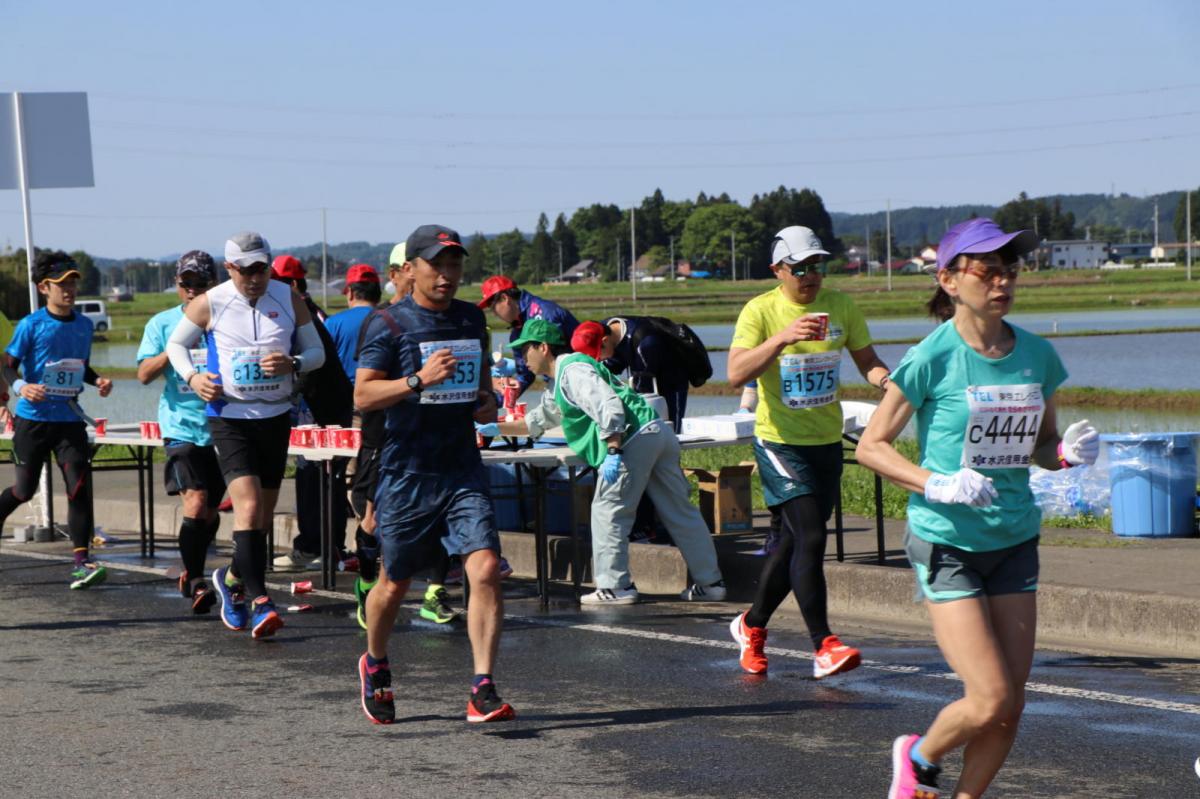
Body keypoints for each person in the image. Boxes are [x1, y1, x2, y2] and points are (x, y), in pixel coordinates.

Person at [855, 217, 1099, 799]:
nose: (1002, 281)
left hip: (1014, 539)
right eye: (987, 269)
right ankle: (917, 757)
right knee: (987, 696)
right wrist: (935, 483)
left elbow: (1039, 446)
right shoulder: (931, 357)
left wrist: (1063, 453)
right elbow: (872, 447)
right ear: (949, 279)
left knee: (1010, 707)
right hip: (948, 542)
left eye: (1009, 270)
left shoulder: (1037, 356)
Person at [354, 224, 514, 724]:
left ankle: (482, 687)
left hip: (460, 467)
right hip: (406, 473)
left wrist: (486, 403)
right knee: (394, 584)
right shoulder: (388, 324)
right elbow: (362, 396)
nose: (447, 275)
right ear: (413, 269)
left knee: (485, 568)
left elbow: (481, 393)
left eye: (455, 265)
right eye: (436, 265)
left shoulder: (470, 319)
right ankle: (375, 662)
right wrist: (417, 380)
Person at [725, 225, 891, 678]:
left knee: (792, 543)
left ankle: (751, 624)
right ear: (778, 269)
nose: (811, 275)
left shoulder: (841, 305)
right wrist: (782, 338)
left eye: (818, 264)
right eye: (800, 267)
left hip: (825, 442)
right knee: (813, 538)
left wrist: (888, 382)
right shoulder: (760, 310)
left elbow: (868, 360)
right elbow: (736, 373)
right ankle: (824, 645)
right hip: (779, 442)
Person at [166, 231, 326, 640]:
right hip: (230, 417)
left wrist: (293, 361)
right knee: (249, 507)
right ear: (230, 268)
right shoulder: (211, 301)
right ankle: (259, 601)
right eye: (247, 270)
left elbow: (317, 353)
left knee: (262, 516)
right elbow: (176, 345)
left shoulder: (288, 297)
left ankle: (232, 578)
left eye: (262, 268)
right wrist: (194, 376)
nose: (256, 277)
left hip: (274, 416)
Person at [510, 318, 726, 605]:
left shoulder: (572, 370)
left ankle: (615, 586)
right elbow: (539, 420)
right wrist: (489, 427)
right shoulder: (562, 378)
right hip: (656, 431)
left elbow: (608, 406)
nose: (523, 358)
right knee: (679, 511)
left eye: (525, 350)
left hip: (632, 439)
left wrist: (612, 451)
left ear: (543, 347)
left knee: (608, 512)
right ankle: (711, 583)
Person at [0, 251, 113, 588]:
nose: (70, 289)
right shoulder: (31, 325)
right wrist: (21, 386)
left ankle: (82, 561)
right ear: (44, 287)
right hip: (32, 420)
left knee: (79, 485)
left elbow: (81, 367)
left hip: (69, 419)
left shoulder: (84, 325)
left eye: (74, 282)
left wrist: (98, 381)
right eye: (62, 284)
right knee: (24, 490)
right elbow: (7, 365)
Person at [137, 251, 225, 613]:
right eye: (184, 284)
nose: (191, 291)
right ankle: (196, 577)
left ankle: (192, 567)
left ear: (213, 285)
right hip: (180, 427)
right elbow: (143, 374)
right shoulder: (162, 323)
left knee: (212, 512)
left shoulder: (226, 319)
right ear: (176, 285)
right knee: (196, 500)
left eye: (199, 285)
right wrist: (176, 350)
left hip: (221, 427)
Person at [269, 253, 355, 570]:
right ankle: (328, 546)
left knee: (317, 478)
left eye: (276, 282)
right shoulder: (300, 310)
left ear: (292, 284)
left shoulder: (304, 314)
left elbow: (309, 367)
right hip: (318, 405)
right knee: (318, 479)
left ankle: (316, 547)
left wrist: (285, 398)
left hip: (324, 408)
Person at [477, 275, 579, 398]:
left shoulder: (543, 313)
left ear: (505, 298)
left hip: (578, 380)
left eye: (493, 308)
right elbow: (525, 374)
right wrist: (500, 399)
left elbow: (559, 360)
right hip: (559, 385)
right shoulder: (516, 332)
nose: (494, 314)